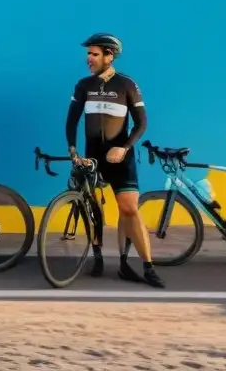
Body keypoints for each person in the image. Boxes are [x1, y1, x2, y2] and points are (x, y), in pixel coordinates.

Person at [65, 32, 165, 289]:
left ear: (109, 56)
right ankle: (97, 256)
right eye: (88, 53)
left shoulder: (126, 84)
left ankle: (146, 266)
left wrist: (124, 147)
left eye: (94, 54)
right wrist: (73, 150)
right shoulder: (83, 85)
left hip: (120, 156)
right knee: (94, 209)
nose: (89, 58)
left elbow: (142, 123)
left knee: (129, 209)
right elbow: (72, 119)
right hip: (92, 157)